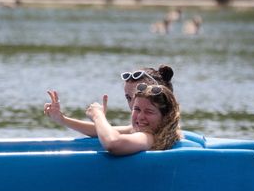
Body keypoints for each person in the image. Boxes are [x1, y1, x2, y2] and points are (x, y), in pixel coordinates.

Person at [45, 65, 174, 138]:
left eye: (139, 96)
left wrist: (98, 117)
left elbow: (113, 140)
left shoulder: (149, 134)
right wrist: (62, 119)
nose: (134, 104)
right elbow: (99, 131)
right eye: (129, 98)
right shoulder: (144, 128)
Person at [83, 82, 182, 155]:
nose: (140, 117)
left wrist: (98, 116)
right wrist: (66, 120)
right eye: (137, 109)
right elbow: (97, 130)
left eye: (149, 112)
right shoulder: (163, 135)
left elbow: (113, 143)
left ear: (166, 117)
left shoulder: (147, 137)